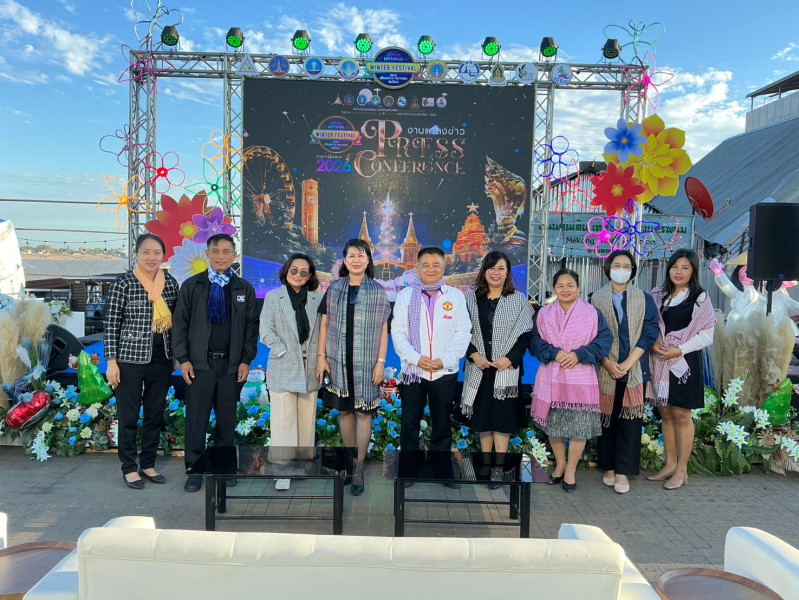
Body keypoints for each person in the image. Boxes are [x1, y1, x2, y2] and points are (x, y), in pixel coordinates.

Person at [173, 234, 259, 493]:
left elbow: (251, 328)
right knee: (196, 420)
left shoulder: (244, 289)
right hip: (200, 365)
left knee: (226, 421)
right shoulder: (192, 286)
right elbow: (180, 324)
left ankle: (224, 468)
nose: (221, 256)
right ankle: (195, 469)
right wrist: (184, 359)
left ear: (234, 255)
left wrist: (245, 360)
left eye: (226, 251)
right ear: (208, 254)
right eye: (216, 251)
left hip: (230, 367)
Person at [316, 239, 391, 496]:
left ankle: (358, 469)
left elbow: (384, 329)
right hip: (338, 362)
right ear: (345, 260)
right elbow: (324, 324)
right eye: (351, 255)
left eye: (361, 255)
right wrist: (321, 357)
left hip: (367, 364)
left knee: (363, 414)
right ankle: (348, 463)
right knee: (345, 412)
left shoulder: (378, 291)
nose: (356, 260)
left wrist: (381, 363)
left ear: (368, 260)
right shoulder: (334, 288)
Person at [105, 233, 179, 490]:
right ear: (136, 254)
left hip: (162, 359)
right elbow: (111, 324)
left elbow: (177, 322)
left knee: (154, 414)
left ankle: (147, 464)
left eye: (157, 253)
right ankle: (128, 467)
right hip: (129, 359)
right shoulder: (124, 283)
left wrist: (176, 355)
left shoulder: (170, 283)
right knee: (128, 416)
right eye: (146, 252)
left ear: (163, 256)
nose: (151, 257)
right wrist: (111, 362)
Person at [392, 247, 471, 485]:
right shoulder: (406, 296)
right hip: (413, 371)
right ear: (416, 268)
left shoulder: (455, 296)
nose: (431, 269)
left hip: (443, 372)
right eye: (425, 265)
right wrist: (415, 358)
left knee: (442, 425)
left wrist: (444, 360)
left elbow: (463, 332)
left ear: (444, 267)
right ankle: (408, 470)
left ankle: (442, 469)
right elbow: (398, 332)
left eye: (436, 264)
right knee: (409, 423)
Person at [530, 269, 612, 492]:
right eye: (560, 286)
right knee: (554, 425)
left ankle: (571, 470)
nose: (565, 290)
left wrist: (579, 355)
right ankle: (560, 464)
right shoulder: (544, 313)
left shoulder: (592, 313)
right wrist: (554, 353)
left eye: (570, 285)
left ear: (578, 288)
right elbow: (534, 342)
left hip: (581, 380)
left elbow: (605, 341)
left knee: (579, 428)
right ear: (553, 288)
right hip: (552, 378)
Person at [460, 251, 532, 488]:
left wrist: (510, 359)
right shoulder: (471, 299)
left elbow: (525, 335)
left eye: (501, 268)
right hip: (479, 368)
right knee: (483, 418)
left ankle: (499, 467)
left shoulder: (518, 300)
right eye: (491, 268)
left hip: (505, 372)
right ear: (484, 271)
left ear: (507, 272)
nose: (496, 273)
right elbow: (461, 332)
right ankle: (485, 463)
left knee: (501, 420)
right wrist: (474, 354)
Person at [591, 250, 659, 494]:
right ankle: (608, 467)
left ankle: (622, 472)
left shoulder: (644, 299)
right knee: (606, 419)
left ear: (632, 270)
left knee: (630, 422)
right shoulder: (594, 299)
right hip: (605, 368)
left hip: (634, 368)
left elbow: (650, 332)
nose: (621, 269)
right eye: (617, 265)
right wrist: (607, 362)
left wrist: (629, 362)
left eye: (627, 266)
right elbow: (590, 334)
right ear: (608, 268)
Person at [646, 249, 716, 490]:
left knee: (681, 415)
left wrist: (680, 350)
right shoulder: (658, 295)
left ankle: (682, 470)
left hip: (684, 364)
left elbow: (707, 334)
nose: (679, 272)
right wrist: (654, 342)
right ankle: (669, 465)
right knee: (666, 413)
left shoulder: (699, 298)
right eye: (675, 267)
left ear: (693, 271)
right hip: (660, 362)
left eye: (685, 267)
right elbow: (650, 325)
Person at [259, 253, 323, 491]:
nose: (298, 275)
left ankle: (304, 465)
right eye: (294, 270)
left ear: (310, 276)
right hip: (284, 364)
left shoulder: (318, 299)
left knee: (306, 420)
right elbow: (265, 330)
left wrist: (321, 358)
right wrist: (283, 350)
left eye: (304, 272)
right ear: (286, 271)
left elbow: (323, 332)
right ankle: (282, 469)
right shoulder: (273, 297)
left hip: (310, 367)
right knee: (283, 421)